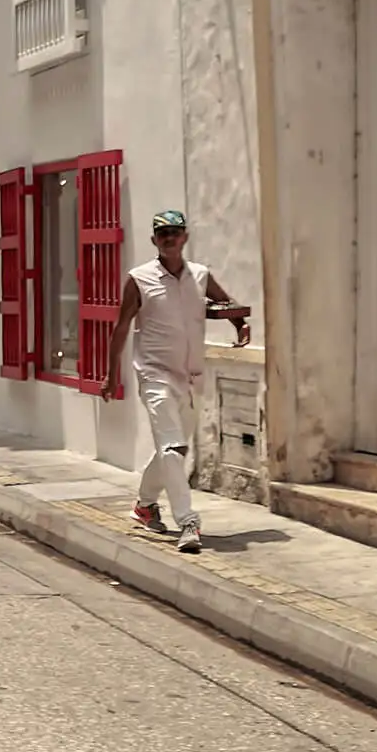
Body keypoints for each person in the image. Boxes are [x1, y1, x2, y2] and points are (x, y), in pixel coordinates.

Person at [101, 210, 250, 554]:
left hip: (192, 375)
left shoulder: (200, 275)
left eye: (175, 232)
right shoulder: (139, 278)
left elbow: (226, 302)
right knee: (172, 447)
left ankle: (144, 504)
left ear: (184, 238)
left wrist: (240, 325)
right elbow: (121, 327)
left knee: (174, 449)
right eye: (163, 233)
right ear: (154, 240)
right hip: (154, 373)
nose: (169, 237)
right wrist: (111, 375)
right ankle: (189, 522)